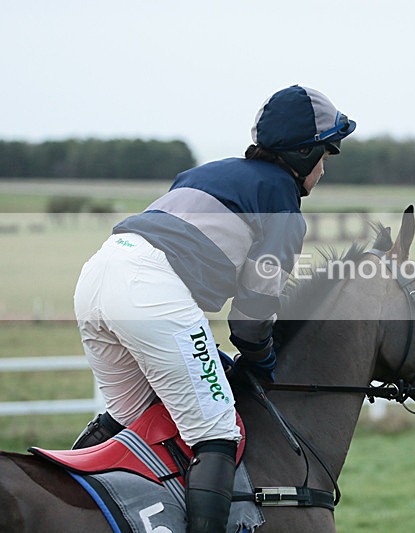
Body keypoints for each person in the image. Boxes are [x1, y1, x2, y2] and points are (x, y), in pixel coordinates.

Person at [72, 85, 355, 532]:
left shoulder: (208, 171)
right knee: (218, 432)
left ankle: (57, 500)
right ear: (304, 155)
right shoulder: (282, 204)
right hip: (152, 291)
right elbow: (249, 320)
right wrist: (263, 362)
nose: (324, 168)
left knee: (129, 421)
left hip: (98, 274)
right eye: (325, 154)